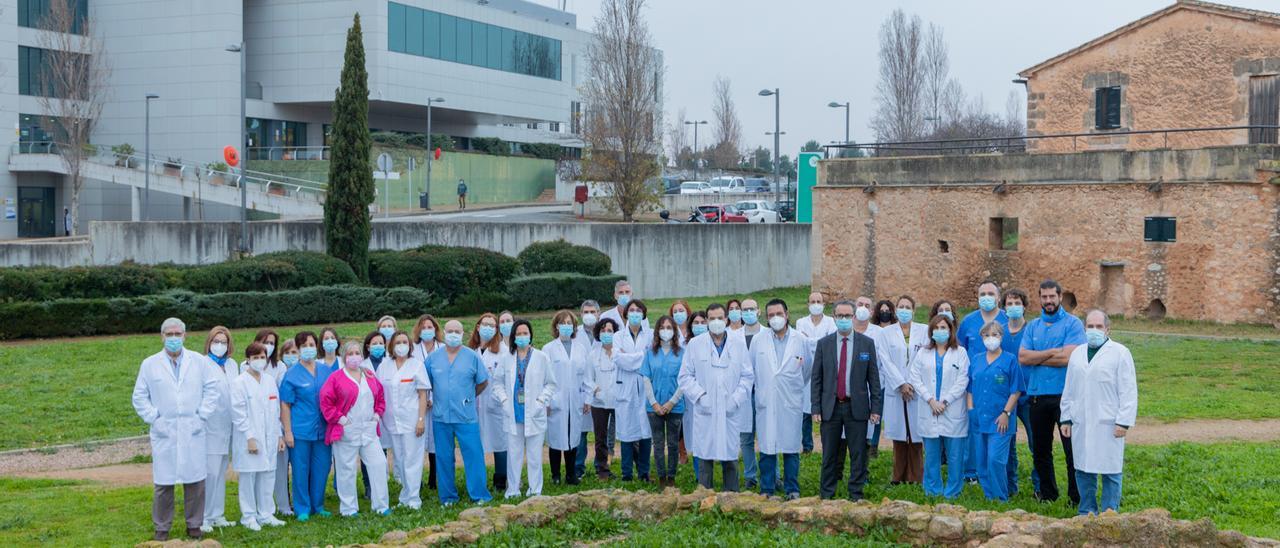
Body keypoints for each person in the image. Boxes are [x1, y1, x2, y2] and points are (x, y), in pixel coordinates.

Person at [132, 318, 220, 541]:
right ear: (162, 337)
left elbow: (212, 389)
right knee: (163, 484)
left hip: (193, 428)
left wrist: (201, 416)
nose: (173, 338)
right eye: (169, 334)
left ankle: (194, 526)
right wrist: (155, 418)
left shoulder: (199, 362)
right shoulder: (150, 364)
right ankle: (162, 528)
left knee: (195, 482)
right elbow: (140, 396)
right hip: (165, 430)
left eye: (177, 334)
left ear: (185, 336)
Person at [1061, 310, 1138, 516]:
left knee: (1111, 469)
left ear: (1107, 329)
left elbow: (1128, 390)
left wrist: (1123, 422)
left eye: (1098, 326)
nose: (1094, 330)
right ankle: (1086, 510)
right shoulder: (1077, 353)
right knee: (1083, 468)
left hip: (1109, 422)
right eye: (1090, 326)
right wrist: (1066, 418)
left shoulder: (1120, 353)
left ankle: (1109, 512)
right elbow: (1069, 388)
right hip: (1081, 421)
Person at [1019, 279, 1086, 505]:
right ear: (1040, 298)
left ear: (1060, 297)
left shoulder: (1073, 324)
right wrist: (1051, 352)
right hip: (1037, 395)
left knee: (1071, 450)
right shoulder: (1033, 326)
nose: (1048, 301)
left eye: (1052, 297)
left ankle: (1075, 497)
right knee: (1040, 450)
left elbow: (1068, 358)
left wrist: (1038, 356)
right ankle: (1048, 494)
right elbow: (1023, 357)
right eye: (1044, 297)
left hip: (1065, 396)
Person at [811, 300, 882, 501]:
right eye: (839, 316)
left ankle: (856, 493)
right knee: (829, 454)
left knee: (859, 453)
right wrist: (816, 407)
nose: (843, 319)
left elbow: (873, 379)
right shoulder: (823, 344)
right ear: (833, 317)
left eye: (847, 316)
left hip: (857, 407)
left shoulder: (866, 343)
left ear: (853, 317)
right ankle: (826, 493)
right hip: (830, 407)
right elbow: (816, 378)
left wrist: (875, 407)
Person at [679, 303, 753, 492]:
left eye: (720, 318)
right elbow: (685, 377)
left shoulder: (738, 343)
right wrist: (700, 396)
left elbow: (747, 376)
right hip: (705, 409)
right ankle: (704, 496)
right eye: (711, 319)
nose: (716, 322)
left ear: (727, 319)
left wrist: (736, 399)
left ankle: (732, 495)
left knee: (730, 456)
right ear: (706, 321)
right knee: (705, 456)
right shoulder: (696, 345)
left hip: (730, 409)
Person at [425, 320, 493, 506]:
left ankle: (479, 494)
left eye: (457, 331)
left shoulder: (472, 357)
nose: (453, 334)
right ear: (444, 333)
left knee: (473, 455)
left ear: (463, 333)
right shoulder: (433, 358)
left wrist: (469, 397)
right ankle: (448, 497)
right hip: (441, 416)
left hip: (466, 415)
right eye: (450, 331)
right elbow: (426, 383)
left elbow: (483, 382)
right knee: (444, 457)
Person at [751, 299, 811, 500]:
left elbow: (807, 370)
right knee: (767, 447)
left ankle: (791, 489)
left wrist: (791, 387)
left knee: (791, 446)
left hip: (790, 402)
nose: (775, 318)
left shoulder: (800, 340)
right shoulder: (759, 340)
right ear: (766, 318)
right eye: (770, 315)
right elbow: (752, 370)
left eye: (779, 313)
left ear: (787, 314)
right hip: (766, 401)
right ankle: (767, 489)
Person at [321, 341, 390, 516]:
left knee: (379, 464)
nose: (354, 357)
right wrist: (340, 419)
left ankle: (381, 505)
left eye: (357, 353)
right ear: (344, 357)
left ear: (362, 355)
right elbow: (325, 401)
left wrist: (377, 415)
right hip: (346, 431)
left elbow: (380, 397)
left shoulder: (369, 376)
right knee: (346, 469)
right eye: (350, 354)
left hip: (368, 429)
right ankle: (349, 508)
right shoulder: (336, 377)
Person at [492, 319, 558, 498]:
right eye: (518, 334)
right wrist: (504, 400)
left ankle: (535, 489)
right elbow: (496, 383)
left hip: (534, 413)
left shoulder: (540, 357)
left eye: (525, 333)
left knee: (535, 455)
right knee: (514, 455)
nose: (522, 337)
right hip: (513, 412)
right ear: (513, 337)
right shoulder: (506, 358)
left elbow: (551, 384)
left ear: (530, 335)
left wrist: (540, 402)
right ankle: (513, 489)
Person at [909, 315, 970, 500]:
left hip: (952, 409)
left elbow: (963, 379)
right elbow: (915, 377)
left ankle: (953, 491)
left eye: (944, 327)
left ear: (950, 330)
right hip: (929, 408)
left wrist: (945, 401)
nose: (940, 331)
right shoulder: (923, 353)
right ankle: (933, 491)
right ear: (931, 331)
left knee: (955, 456)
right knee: (932, 456)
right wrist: (930, 400)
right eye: (937, 328)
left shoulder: (960, 352)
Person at [229, 342, 287, 530]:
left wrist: (279, 436)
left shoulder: (269, 380)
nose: (259, 361)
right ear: (248, 359)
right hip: (250, 438)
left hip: (270, 436)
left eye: (262, 357)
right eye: (255, 357)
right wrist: (249, 437)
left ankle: (266, 513)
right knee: (248, 477)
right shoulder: (239, 383)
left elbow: (276, 409)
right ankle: (249, 516)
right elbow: (238, 413)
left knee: (268, 475)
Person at [279, 331, 334, 521]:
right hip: (300, 430)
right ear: (298, 349)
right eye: (304, 346)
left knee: (322, 467)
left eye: (311, 345)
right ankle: (302, 507)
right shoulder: (291, 374)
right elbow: (285, 404)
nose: (308, 349)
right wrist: (288, 431)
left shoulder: (326, 370)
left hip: (323, 429)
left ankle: (317, 505)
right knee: (301, 469)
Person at [957, 281, 1008, 484]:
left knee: (1000, 428)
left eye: (990, 293)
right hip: (974, 384)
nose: (986, 297)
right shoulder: (969, 321)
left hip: (1000, 383)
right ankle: (971, 472)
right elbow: (960, 349)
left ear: (998, 297)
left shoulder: (1005, 319)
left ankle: (999, 471)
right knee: (973, 427)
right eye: (982, 293)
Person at [375, 330, 431, 510]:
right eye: (397, 342)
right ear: (391, 346)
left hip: (413, 420)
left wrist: (421, 419)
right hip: (391, 421)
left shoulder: (416, 365)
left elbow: (423, 394)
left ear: (409, 345)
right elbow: (377, 389)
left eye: (404, 342)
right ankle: (405, 496)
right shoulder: (384, 365)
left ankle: (414, 499)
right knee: (399, 459)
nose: (401, 345)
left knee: (413, 459)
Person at [968, 322, 1023, 502]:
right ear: (982, 338)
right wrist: (971, 410)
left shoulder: (1010, 360)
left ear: (1001, 337)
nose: (991, 338)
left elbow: (1016, 390)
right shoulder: (976, 360)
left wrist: (1006, 413)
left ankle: (1000, 498)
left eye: (995, 334)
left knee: (995, 460)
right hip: (978, 416)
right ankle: (988, 495)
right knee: (981, 462)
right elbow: (969, 388)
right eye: (986, 335)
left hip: (1001, 419)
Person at [880, 295, 927, 485]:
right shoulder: (886, 333)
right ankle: (898, 476)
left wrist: (912, 383)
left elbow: (924, 359)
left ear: (914, 311)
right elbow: (885, 360)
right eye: (901, 306)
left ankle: (916, 477)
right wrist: (901, 384)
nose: (904, 310)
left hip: (916, 389)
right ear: (896, 310)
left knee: (916, 434)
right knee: (899, 435)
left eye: (908, 307)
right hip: (896, 389)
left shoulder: (924, 331)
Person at [544, 310, 589, 485]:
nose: (566, 326)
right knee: (556, 438)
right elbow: (544, 377)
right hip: (555, 400)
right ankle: (555, 475)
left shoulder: (580, 348)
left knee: (573, 437)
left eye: (569, 323)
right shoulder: (548, 349)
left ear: (574, 326)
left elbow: (586, 375)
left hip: (576, 399)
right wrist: (547, 400)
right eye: (562, 323)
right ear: (556, 326)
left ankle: (571, 474)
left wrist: (587, 399)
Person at [201, 326, 237, 533]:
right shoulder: (202, 364)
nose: (220, 345)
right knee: (210, 473)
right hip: (210, 427)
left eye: (223, 342)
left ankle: (217, 514)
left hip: (228, 426)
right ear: (209, 342)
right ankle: (203, 516)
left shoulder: (232, 365)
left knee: (221, 471)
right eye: (216, 341)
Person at [1001, 289, 1037, 496]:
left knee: (1037, 444)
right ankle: (1009, 486)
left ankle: (1039, 488)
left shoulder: (1032, 330)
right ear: (1004, 307)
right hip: (1008, 398)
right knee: (1008, 444)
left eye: (1017, 302)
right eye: (1009, 303)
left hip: (1031, 395)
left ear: (1024, 306)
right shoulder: (1000, 333)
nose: (1013, 306)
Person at [642, 315, 685, 487]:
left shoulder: (682, 353)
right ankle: (661, 478)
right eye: (662, 327)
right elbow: (646, 378)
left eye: (669, 327)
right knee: (658, 443)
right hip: (654, 407)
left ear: (674, 331)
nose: (665, 330)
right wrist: (654, 404)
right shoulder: (650, 353)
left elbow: (684, 380)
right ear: (657, 331)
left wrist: (671, 403)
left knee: (673, 443)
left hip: (675, 406)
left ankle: (672, 478)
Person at [468, 313, 509, 493]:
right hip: (474, 405)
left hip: (496, 405)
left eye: (492, 326)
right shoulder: (470, 350)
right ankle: (479, 480)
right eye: (485, 324)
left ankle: (501, 480)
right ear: (478, 327)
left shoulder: (503, 351)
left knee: (500, 443)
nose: (488, 328)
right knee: (477, 444)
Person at [253, 328, 291, 517]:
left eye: (272, 343)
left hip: (276, 423)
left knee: (279, 467)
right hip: (254, 425)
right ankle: (256, 507)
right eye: (265, 341)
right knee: (255, 469)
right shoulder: (244, 366)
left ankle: (283, 505)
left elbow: (280, 398)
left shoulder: (280, 367)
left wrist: (280, 429)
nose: (268, 346)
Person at [615, 300, 653, 482]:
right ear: (626, 313)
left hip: (645, 387)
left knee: (646, 432)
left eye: (638, 310)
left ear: (644, 314)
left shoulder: (651, 336)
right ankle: (627, 473)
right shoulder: (617, 336)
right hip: (626, 388)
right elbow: (618, 359)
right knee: (626, 432)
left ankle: (644, 472)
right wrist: (640, 357)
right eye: (632, 310)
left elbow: (650, 358)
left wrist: (629, 357)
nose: (635, 313)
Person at [796, 292, 834, 455]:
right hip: (805, 367)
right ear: (808, 304)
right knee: (805, 410)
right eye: (813, 301)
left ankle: (828, 445)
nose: (816, 304)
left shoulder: (831, 322)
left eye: (819, 301)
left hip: (826, 367)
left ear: (824, 304)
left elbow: (829, 342)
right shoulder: (800, 322)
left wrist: (810, 340)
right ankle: (807, 445)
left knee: (826, 407)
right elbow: (801, 342)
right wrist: (819, 340)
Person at [586, 318, 623, 480]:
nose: (606, 334)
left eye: (610, 331)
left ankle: (629, 467)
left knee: (625, 433)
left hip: (619, 399)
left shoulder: (621, 353)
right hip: (599, 402)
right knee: (600, 436)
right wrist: (596, 390)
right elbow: (587, 378)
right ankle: (602, 469)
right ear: (598, 334)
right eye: (603, 331)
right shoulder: (593, 355)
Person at [851, 296, 886, 458]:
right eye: (860, 304)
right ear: (854, 308)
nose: (863, 308)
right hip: (847, 386)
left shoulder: (879, 333)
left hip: (872, 385)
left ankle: (870, 448)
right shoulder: (843, 329)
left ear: (872, 312)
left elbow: (884, 360)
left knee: (872, 420)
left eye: (867, 306)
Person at [412, 315, 443, 490]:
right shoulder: (413, 349)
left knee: (436, 442)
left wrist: (434, 397)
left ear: (436, 329)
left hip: (439, 400)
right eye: (423, 327)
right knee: (418, 442)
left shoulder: (443, 348)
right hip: (419, 401)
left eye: (430, 327)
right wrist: (426, 398)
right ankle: (417, 480)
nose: (427, 330)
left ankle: (434, 478)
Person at [572, 300, 601, 482]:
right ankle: (578, 467)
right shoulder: (575, 335)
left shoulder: (606, 332)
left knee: (601, 432)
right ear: (581, 314)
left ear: (599, 313)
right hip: (581, 391)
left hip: (602, 389)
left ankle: (601, 466)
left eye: (592, 311)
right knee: (581, 432)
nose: (589, 314)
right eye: (586, 311)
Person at [736, 298, 762, 490]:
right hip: (744, 394)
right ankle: (750, 476)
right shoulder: (734, 336)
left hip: (763, 392)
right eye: (745, 310)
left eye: (751, 309)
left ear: (759, 311)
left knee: (768, 435)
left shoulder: (767, 334)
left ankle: (773, 475)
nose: (748, 312)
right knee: (746, 437)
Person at [682, 310, 709, 472]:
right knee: (695, 434)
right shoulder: (685, 345)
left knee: (709, 434)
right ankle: (700, 472)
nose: (699, 326)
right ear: (690, 326)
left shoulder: (712, 343)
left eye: (702, 322)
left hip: (711, 395)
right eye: (696, 323)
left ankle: (709, 467)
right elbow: (684, 374)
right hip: (691, 397)